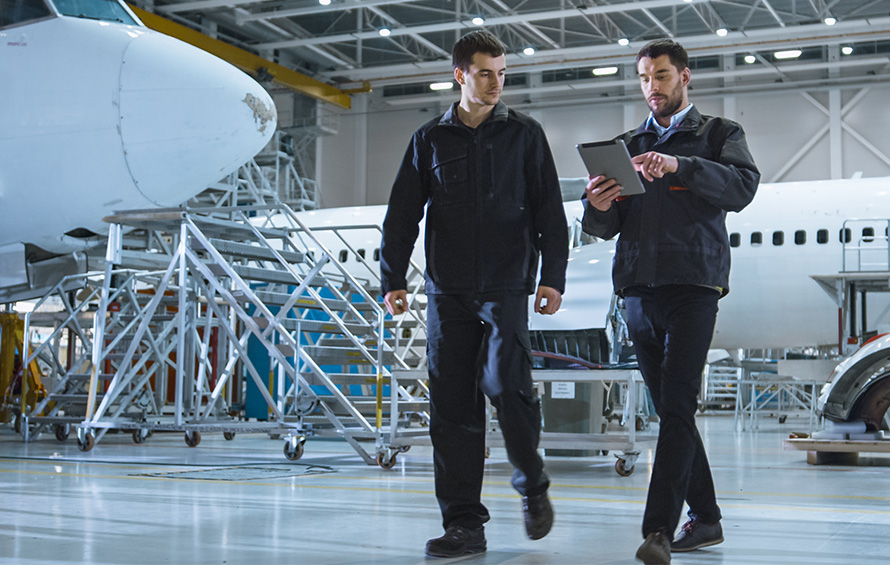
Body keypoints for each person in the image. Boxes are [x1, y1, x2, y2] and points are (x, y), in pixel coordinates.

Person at [379, 30, 569, 558]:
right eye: (486, 73)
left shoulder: (525, 136)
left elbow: (550, 212)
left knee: (508, 384)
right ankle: (464, 524)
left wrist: (553, 277)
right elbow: (401, 215)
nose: (496, 83)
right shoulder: (429, 140)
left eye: (502, 73)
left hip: (506, 285)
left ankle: (531, 480)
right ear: (460, 74)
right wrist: (393, 279)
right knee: (453, 409)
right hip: (447, 292)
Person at [581, 39, 760, 564]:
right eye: (644, 78)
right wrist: (595, 205)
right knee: (671, 410)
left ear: (685, 78)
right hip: (638, 289)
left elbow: (743, 187)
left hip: (694, 287)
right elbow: (605, 226)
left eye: (661, 76)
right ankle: (705, 518)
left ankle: (657, 530)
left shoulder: (718, 135)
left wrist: (680, 166)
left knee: (678, 404)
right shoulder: (625, 143)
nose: (651, 88)